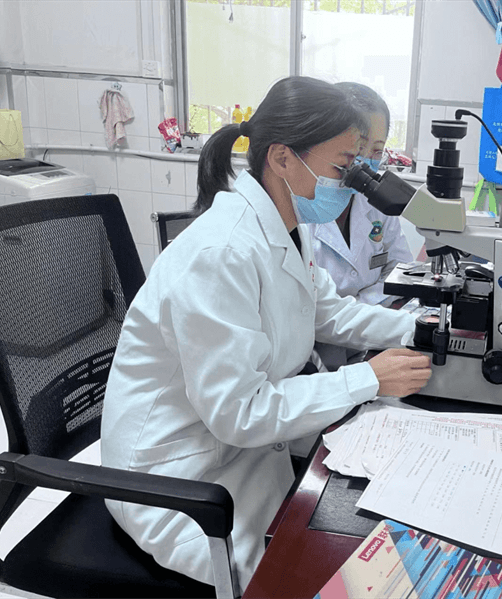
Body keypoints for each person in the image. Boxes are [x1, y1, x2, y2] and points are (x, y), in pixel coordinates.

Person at [100, 76, 431, 593]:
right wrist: (367, 379)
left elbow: (328, 311)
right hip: (180, 488)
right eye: (343, 167)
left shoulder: (285, 226)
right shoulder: (221, 253)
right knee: (315, 576)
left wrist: (421, 328)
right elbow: (240, 412)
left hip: (238, 453)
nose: (350, 183)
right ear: (281, 158)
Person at [310, 83, 414, 369]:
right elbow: (318, 310)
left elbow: (402, 268)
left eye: (377, 151)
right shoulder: (304, 205)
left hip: (366, 337)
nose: (365, 161)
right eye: (358, 148)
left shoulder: (378, 202)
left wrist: (364, 303)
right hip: (313, 352)